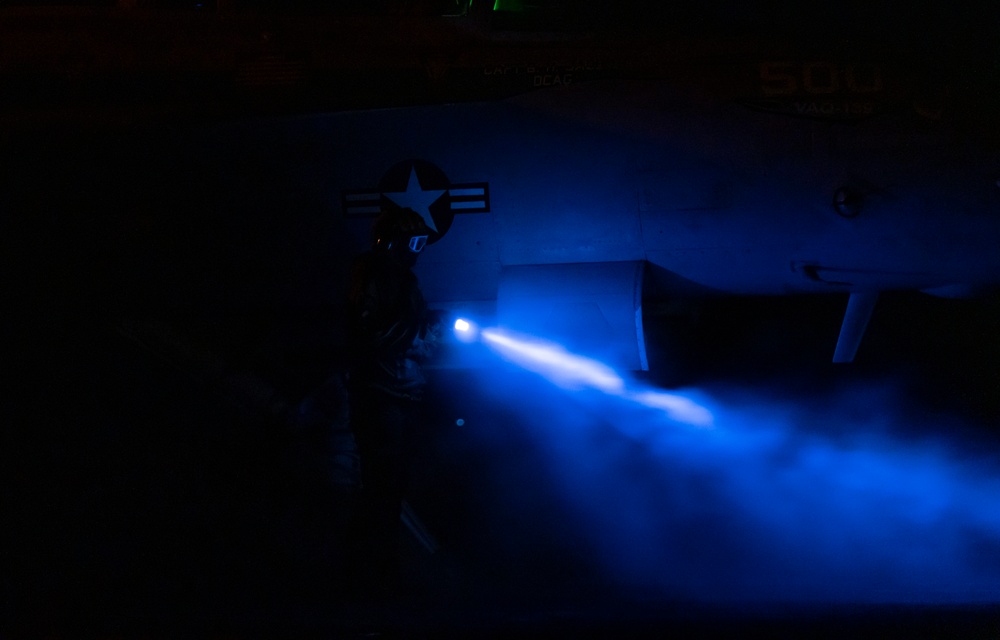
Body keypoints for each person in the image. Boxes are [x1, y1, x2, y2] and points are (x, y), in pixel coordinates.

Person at [345, 205, 440, 594]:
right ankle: (376, 575)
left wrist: (427, 333)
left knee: (393, 486)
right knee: (381, 489)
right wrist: (413, 328)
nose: (418, 250)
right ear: (391, 244)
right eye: (413, 242)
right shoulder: (370, 277)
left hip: (403, 393)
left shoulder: (405, 282)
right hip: (382, 396)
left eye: (421, 242)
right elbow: (367, 335)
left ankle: (384, 570)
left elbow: (412, 336)